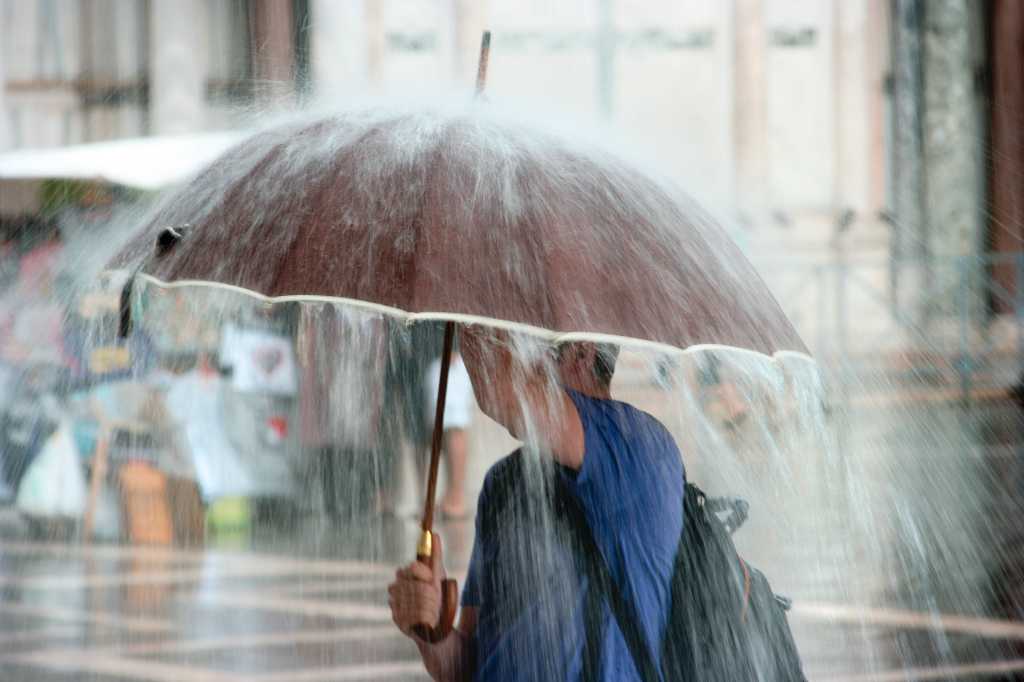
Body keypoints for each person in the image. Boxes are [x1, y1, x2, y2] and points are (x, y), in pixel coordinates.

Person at [388, 328, 686, 681]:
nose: (516, 356)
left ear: (582, 351)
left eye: (525, 343)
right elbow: (468, 668)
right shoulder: (504, 481)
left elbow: (499, 392)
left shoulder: (639, 444)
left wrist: (463, 310)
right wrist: (433, 630)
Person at [423, 348, 476, 519]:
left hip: (447, 350)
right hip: (430, 351)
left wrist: (453, 346)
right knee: (444, 426)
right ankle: (451, 496)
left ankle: (457, 498)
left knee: (454, 424)